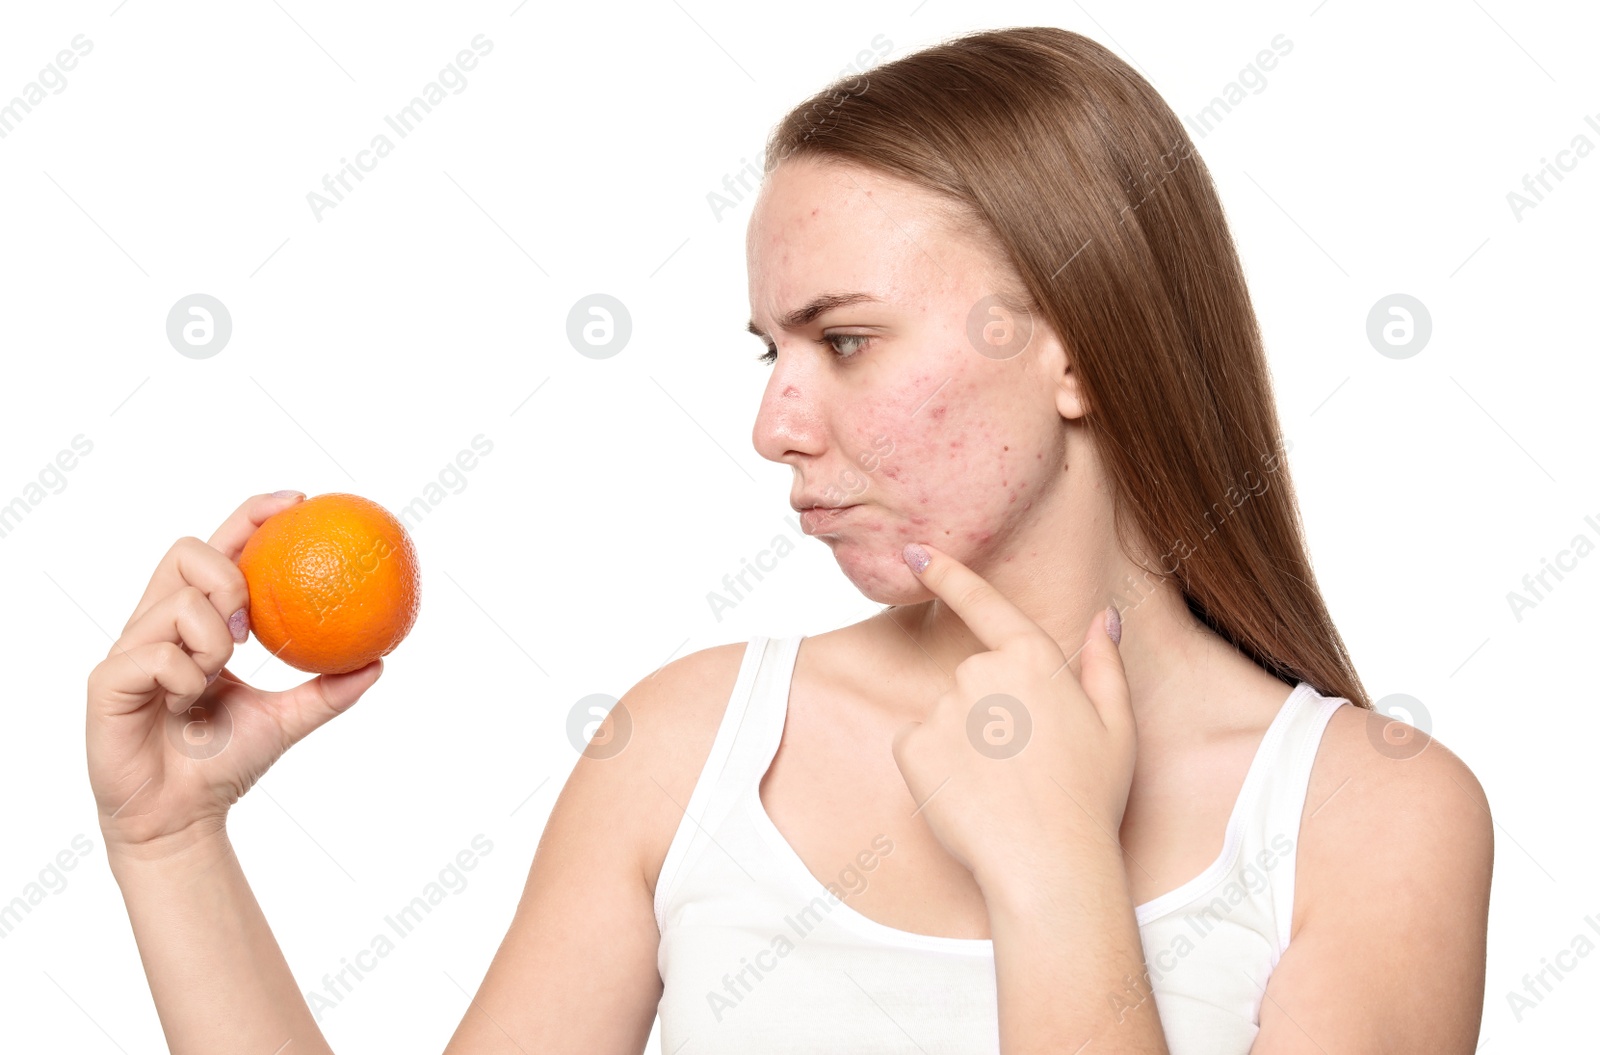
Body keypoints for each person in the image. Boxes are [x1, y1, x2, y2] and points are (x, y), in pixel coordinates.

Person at [85, 25, 1493, 1055]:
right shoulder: (691, 745)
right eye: (770, 349)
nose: (774, 424)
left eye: (847, 339)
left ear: (1074, 347)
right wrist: (172, 844)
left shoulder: (1374, 822)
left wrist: (1058, 868)